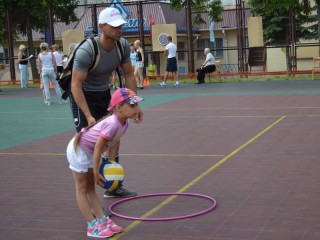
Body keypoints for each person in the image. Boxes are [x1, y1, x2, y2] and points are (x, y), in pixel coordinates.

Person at [70, 7, 143, 198]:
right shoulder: (87, 50)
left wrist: (133, 106)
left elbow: (128, 74)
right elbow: (75, 85)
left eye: (121, 26)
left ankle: (112, 186)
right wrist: (88, 115)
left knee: (114, 137)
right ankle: (89, 194)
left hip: (104, 93)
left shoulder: (123, 46)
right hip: (82, 96)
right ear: (102, 27)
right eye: (115, 26)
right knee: (87, 145)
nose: (120, 29)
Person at [66, 88, 143, 238]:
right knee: (82, 188)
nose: (137, 109)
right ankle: (91, 225)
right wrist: (96, 171)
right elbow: (98, 147)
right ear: (118, 108)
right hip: (79, 150)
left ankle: (102, 220)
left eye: (137, 105)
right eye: (132, 106)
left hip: (88, 151)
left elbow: (113, 143)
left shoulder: (124, 123)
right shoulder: (113, 123)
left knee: (90, 189)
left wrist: (111, 164)